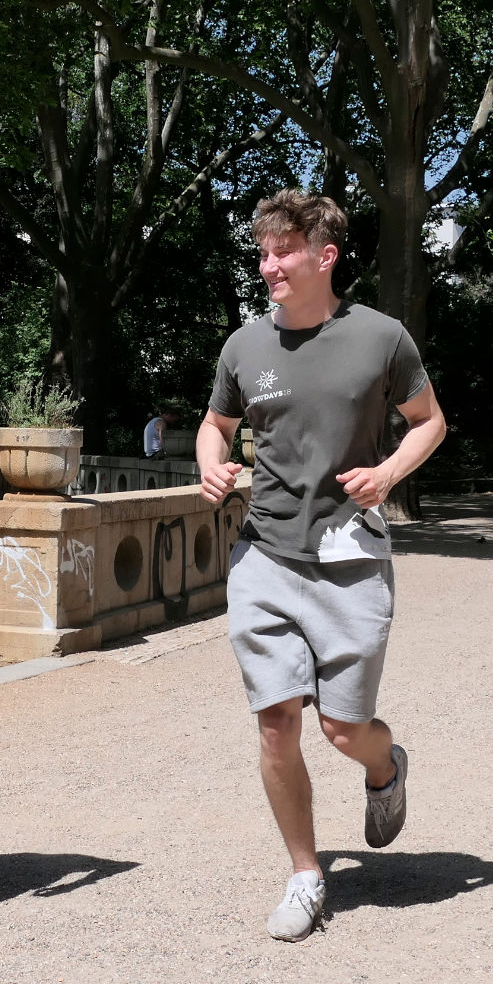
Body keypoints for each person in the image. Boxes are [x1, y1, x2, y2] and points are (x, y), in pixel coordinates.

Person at [197, 189, 446, 942]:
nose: (268, 265)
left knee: (343, 729)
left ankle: (385, 766)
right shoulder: (244, 346)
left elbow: (429, 422)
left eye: (282, 251)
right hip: (265, 555)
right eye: (263, 252)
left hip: (351, 559)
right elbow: (215, 426)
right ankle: (306, 875)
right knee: (276, 724)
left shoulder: (382, 338)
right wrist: (212, 466)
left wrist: (388, 474)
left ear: (324, 256)